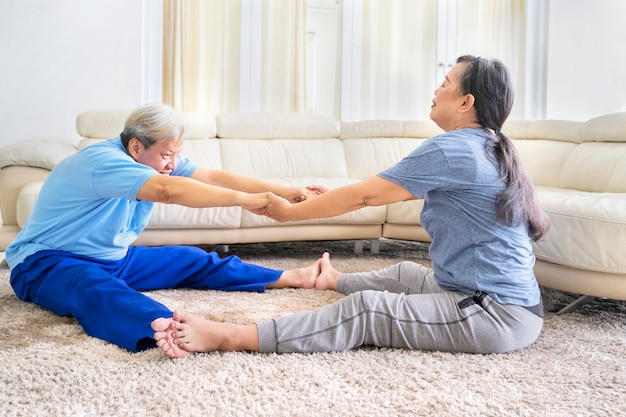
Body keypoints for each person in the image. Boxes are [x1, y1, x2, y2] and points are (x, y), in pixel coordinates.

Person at [152, 55, 550, 358]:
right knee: (409, 274)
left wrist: (288, 212)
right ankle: (331, 280)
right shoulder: (489, 146)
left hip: (495, 315)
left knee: (367, 310)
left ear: (466, 101)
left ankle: (233, 336)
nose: (436, 89)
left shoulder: (453, 148)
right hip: (500, 301)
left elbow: (366, 195)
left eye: (444, 83)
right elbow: (379, 191)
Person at [6, 102, 327, 353]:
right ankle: (167, 327)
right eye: (166, 155)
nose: (173, 163)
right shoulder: (102, 161)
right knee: (91, 286)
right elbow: (166, 190)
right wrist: (246, 201)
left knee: (189, 258)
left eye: (177, 153)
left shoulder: (154, 157)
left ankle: (289, 277)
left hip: (114, 259)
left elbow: (212, 177)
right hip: (45, 263)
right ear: (135, 147)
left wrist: (283, 192)